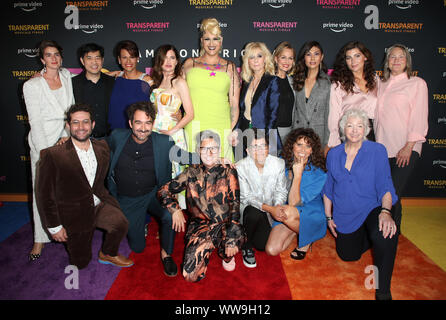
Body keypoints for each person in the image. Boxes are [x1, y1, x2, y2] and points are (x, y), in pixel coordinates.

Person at [35, 104, 133, 269]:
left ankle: (108, 253)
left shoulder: (102, 147)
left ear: (92, 125)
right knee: (80, 263)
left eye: (85, 122)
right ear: (68, 126)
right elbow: (44, 195)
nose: (81, 127)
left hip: (97, 204)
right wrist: (55, 227)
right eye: (75, 122)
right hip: (73, 214)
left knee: (121, 223)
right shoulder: (52, 155)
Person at [106, 101, 193, 277]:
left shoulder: (163, 142)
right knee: (137, 247)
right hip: (127, 199)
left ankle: (166, 255)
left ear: (152, 124)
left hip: (154, 193)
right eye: (138, 122)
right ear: (130, 123)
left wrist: (213, 157)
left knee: (170, 214)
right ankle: (139, 228)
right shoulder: (117, 137)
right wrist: (70, 140)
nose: (143, 128)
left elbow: (185, 157)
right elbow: (96, 145)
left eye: (148, 123)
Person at [322, 108, 398, 300]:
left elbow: (385, 184)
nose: (354, 130)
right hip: (346, 212)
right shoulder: (333, 154)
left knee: (383, 234)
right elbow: (328, 188)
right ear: (342, 129)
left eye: (359, 126)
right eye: (350, 125)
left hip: (373, 205)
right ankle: (368, 234)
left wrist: (386, 211)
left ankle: (383, 291)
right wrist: (329, 217)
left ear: (366, 129)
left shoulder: (377, 150)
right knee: (348, 255)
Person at [157, 130, 246, 282]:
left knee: (233, 244)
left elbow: (235, 205)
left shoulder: (228, 170)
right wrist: (175, 208)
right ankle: (208, 244)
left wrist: (231, 239)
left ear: (219, 150)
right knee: (190, 276)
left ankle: (224, 252)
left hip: (225, 224)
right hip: (200, 225)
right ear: (199, 150)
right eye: (205, 148)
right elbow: (163, 191)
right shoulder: (191, 172)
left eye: (214, 148)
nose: (210, 152)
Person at [23, 40, 75, 261]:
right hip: (42, 141)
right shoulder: (32, 85)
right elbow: (34, 121)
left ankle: (66, 230)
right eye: (48, 55)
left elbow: (71, 108)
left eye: (56, 54)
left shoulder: (66, 77)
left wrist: (66, 135)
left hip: (65, 138)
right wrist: (46, 151)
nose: (53, 58)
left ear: (60, 57)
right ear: (42, 59)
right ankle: (39, 239)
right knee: (41, 191)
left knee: (65, 190)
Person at [375, 44, 428, 230]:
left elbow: (419, 117)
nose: (396, 60)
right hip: (382, 149)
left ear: (407, 61)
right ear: (387, 62)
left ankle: (391, 235)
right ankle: (393, 232)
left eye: (401, 57)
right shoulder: (380, 85)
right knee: (388, 193)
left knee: (392, 192)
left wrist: (409, 146)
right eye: (392, 57)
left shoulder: (417, 84)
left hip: (404, 147)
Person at [182, 17, 240, 160]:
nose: (211, 43)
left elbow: (234, 104)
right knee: (194, 172)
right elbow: (176, 94)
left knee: (222, 174)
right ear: (201, 41)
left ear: (221, 42)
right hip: (193, 124)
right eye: (207, 39)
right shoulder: (189, 64)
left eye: (215, 39)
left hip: (221, 126)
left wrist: (229, 130)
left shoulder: (230, 67)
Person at [265, 128, 327, 260]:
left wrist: (298, 174)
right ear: (292, 145)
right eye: (299, 144)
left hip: (310, 212)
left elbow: (294, 204)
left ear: (312, 150)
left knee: (287, 212)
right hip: (288, 211)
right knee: (271, 249)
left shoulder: (319, 172)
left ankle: (309, 236)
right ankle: (295, 229)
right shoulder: (282, 162)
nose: (303, 150)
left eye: (308, 146)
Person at [236, 129, 287, 268]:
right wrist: (271, 209)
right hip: (248, 212)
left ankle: (245, 239)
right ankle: (246, 245)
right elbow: (247, 197)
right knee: (253, 212)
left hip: (269, 214)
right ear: (247, 150)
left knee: (262, 246)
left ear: (268, 147)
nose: (259, 150)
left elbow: (281, 191)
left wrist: (277, 207)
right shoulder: (240, 167)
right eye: (255, 147)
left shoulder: (278, 164)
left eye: (262, 146)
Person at [150, 44, 194, 179]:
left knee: (175, 175)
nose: (168, 62)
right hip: (155, 132)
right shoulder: (155, 82)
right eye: (165, 58)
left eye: (172, 58)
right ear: (159, 61)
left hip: (173, 133)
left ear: (176, 61)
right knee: (158, 172)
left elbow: (190, 114)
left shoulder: (179, 82)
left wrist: (172, 130)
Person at [328, 41, 377, 149]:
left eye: (357, 56)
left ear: (365, 57)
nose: (353, 61)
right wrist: (333, 143)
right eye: (348, 58)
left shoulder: (376, 81)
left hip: (373, 133)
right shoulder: (338, 84)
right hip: (349, 133)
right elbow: (334, 117)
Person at [237, 42, 280, 158]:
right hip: (245, 131)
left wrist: (265, 138)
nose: (255, 60)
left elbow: (274, 113)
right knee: (244, 168)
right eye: (251, 57)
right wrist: (236, 131)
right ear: (247, 61)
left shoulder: (272, 81)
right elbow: (241, 111)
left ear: (265, 58)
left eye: (259, 56)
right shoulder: (246, 81)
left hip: (264, 133)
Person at [291, 41, 331, 152]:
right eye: (308, 54)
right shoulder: (297, 80)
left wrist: (327, 142)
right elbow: (294, 113)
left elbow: (329, 115)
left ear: (322, 57)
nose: (312, 58)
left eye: (316, 54)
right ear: (304, 57)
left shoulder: (329, 83)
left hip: (319, 136)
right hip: (298, 135)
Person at [72, 43, 116, 138]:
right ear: (82, 61)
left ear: (102, 60)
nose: (94, 62)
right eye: (89, 58)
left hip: (109, 139)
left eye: (97, 58)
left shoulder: (113, 83)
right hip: (82, 138)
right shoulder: (73, 84)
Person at [108, 40, 153, 130]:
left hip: (138, 134)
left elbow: (160, 104)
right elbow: (94, 76)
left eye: (132, 57)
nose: (128, 61)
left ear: (137, 58)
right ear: (119, 60)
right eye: (124, 57)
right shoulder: (115, 79)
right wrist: (111, 74)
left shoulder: (147, 82)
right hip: (114, 134)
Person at [273, 41, 297, 144]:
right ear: (276, 59)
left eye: (290, 58)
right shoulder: (267, 81)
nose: (287, 61)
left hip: (288, 133)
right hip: (271, 132)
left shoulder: (293, 82)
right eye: (283, 57)